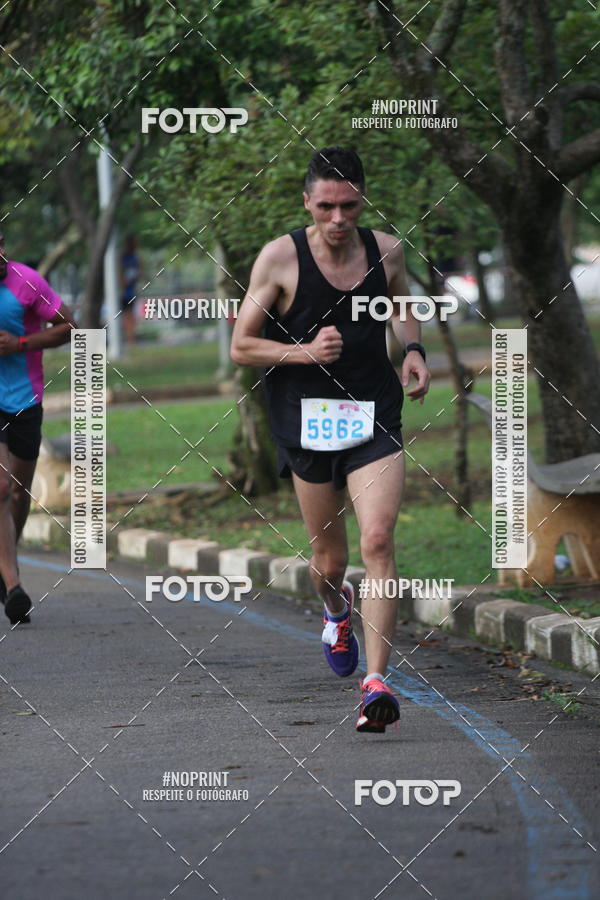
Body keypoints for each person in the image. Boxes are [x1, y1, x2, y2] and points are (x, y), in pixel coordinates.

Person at [231, 147, 431, 733]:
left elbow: (402, 303)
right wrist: (304, 352)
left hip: (373, 413)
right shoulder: (280, 259)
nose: (338, 218)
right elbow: (242, 345)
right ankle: (336, 608)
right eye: (326, 206)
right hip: (306, 420)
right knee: (329, 560)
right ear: (307, 203)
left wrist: (413, 349)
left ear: (361, 200)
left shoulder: (386, 250)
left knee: (377, 540)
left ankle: (376, 684)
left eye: (348, 205)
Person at [0, 233, 77, 625]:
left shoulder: (26, 281)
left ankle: (4, 563)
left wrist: (21, 343)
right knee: (0, 488)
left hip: (25, 399)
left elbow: (68, 327)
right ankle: (13, 586)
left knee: (18, 493)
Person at [120, 234, 140, 344]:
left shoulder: (135, 257)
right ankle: (129, 338)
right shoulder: (122, 257)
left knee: (130, 315)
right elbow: (120, 273)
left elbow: (138, 271)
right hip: (123, 293)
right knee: (126, 316)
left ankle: (131, 339)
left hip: (130, 292)